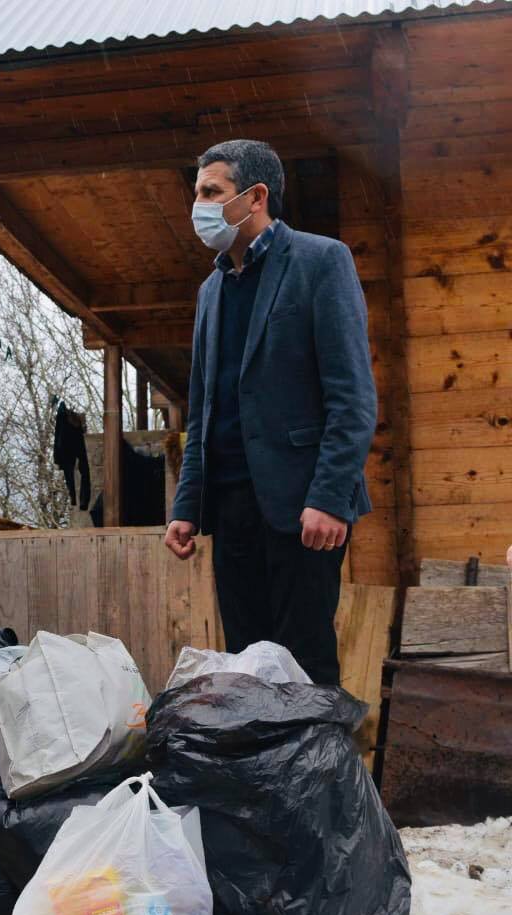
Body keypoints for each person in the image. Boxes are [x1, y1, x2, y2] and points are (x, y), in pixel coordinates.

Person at [163, 139, 378, 686]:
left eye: (212, 192)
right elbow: (203, 408)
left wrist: (330, 498)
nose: (199, 206)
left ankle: (321, 775)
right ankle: (263, 775)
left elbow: (352, 396)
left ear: (256, 197)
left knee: (305, 663)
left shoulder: (320, 260)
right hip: (232, 506)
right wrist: (187, 504)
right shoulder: (211, 290)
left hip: (304, 509)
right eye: (197, 193)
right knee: (249, 666)